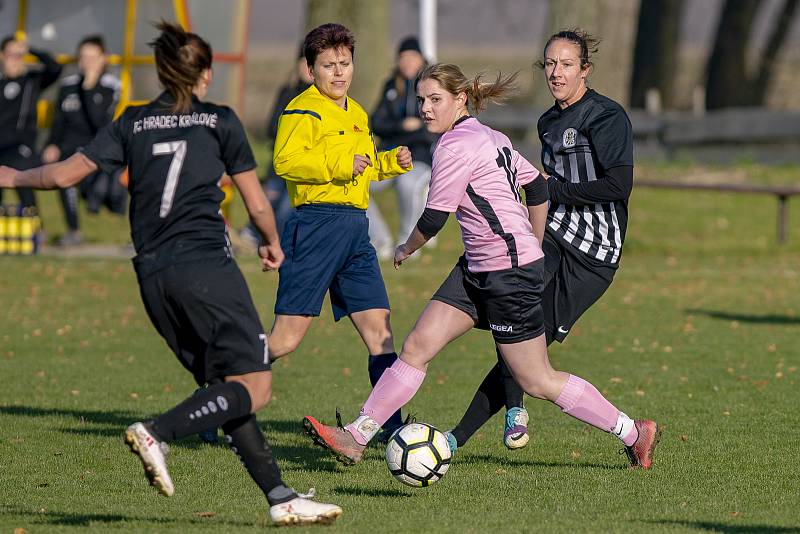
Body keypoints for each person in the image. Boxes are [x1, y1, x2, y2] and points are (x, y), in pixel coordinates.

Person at [0, 21, 341, 526]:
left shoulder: (132, 122)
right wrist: (271, 244)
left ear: (162, 73)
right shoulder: (220, 121)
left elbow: (63, 174)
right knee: (257, 384)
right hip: (205, 265)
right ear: (204, 73)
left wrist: (10, 175)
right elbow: (256, 203)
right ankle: (157, 432)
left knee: (228, 387)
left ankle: (280, 497)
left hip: (153, 275)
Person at [301, 62, 660, 471]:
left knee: (536, 380)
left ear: (460, 100)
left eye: (435, 99)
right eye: (421, 100)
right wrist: (536, 243)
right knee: (418, 346)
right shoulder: (491, 136)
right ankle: (357, 435)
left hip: (508, 276)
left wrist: (405, 248)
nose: (425, 108)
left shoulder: (456, 146)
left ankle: (634, 432)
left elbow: (435, 218)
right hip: (477, 268)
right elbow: (537, 186)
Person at [446, 29, 641, 460]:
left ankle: (633, 432)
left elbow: (618, 185)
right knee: (510, 313)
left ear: (584, 70)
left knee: (530, 352)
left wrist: (556, 192)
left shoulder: (606, 117)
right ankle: (464, 435)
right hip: (552, 236)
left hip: (592, 256)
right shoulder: (548, 122)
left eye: (566, 64)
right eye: (550, 64)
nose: (556, 72)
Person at [269, 23, 413, 439]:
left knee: (380, 331)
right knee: (285, 340)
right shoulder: (303, 110)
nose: (338, 73)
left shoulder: (357, 112)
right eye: (328, 65)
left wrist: (391, 162)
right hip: (316, 226)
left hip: (354, 231)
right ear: (310, 69)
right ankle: (219, 388)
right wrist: (337, 166)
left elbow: (363, 167)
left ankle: (392, 428)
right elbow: (285, 161)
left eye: (344, 64)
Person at [42, 35, 121, 246]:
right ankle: (73, 230)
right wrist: (52, 144)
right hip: (69, 146)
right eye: (83, 57)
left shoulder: (111, 86)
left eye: (92, 57)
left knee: (100, 191)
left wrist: (89, 87)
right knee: (63, 179)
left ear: (103, 59)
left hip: (95, 146)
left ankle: (107, 206)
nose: (87, 62)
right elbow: (58, 119)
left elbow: (100, 123)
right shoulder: (68, 85)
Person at [367, 36, 437, 260]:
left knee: (408, 182)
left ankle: (409, 241)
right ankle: (380, 239)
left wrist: (411, 130)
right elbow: (376, 122)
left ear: (421, 59)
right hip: (389, 157)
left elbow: (432, 128)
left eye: (412, 57)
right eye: (403, 58)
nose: (407, 62)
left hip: (420, 157)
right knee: (358, 183)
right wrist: (401, 126)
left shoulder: (431, 86)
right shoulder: (391, 86)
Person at [239, 42, 312, 245]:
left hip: (303, 166)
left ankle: (276, 242)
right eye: (303, 62)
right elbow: (272, 127)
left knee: (285, 208)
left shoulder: (321, 99)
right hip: (280, 162)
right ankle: (252, 234)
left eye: (311, 63)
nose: (306, 68)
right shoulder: (287, 92)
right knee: (268, 199)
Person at [0, 35, 62, 209]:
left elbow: (55, 67)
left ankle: (34, 224)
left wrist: (29, 49)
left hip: (21, 144)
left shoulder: (32, 80)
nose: (14, 60)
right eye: (10, 54)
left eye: (18, 55)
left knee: (21, 174)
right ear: (2, 55)